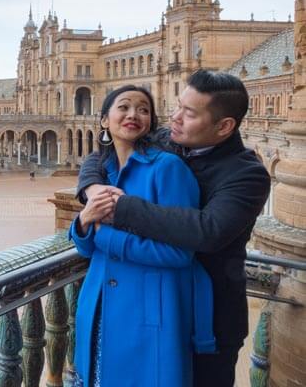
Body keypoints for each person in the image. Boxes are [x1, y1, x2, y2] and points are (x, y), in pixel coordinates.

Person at [77, 70, 270, 387]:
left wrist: (118, 209)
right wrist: (92, 188)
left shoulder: (247, 174)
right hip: (158, 307)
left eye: (189, 113)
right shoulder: (170, 139)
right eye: (178, 106)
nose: (175, 118)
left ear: (224, 126)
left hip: (207, 322)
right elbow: (103, 153)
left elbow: (207, 231)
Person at [69, 85, 215, 386]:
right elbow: (85, 247)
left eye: (143, 109)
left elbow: (180, 252)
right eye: (123, 107)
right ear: (104, 120)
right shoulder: (102, 170)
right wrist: (84, 221)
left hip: (148, 315)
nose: (133, 114)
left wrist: (107, 238)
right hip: (99, 305)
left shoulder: (168, 168)